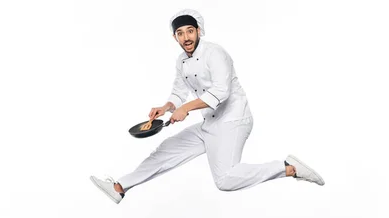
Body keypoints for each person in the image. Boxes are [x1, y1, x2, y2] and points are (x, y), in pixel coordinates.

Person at [90, 9, 325, 204]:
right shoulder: (181, 60)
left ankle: (289, 168)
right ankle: (119, 187)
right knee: (164, 152)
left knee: (224, 180)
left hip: (233, 121)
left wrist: (186, 109)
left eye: (190, 31)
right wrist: (167, 106)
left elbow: (221, 91)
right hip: (209, 123)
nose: (186, 37)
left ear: (198, 31)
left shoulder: (215, 53)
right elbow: (179, 91)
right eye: (180, 33)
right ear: (175, 37)